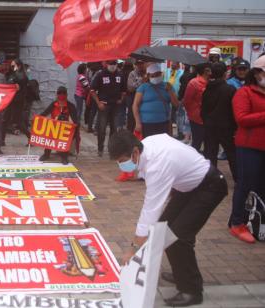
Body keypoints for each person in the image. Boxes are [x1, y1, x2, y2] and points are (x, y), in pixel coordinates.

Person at [109, 131, 227, 307]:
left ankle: (191, 290)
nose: (121, 165)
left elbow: (150, 211)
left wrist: (133, 249)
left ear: (135, 152)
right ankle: (182, 271)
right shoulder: (147, 145)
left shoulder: (158, 164)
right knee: (163, 230)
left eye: (122, 160)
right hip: (189, 186)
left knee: (178, 237)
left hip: (210, 186)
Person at [228, 55, 265, 244]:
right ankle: (237, 222)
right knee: (245, 184)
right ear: (257, 73)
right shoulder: (244, 93)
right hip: (248, 147)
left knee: (261, 186)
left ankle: (257, 220)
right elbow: (241, 119)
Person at [201, 62, 237, 179]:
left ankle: (210, 178)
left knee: (210, 153)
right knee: (232, 154)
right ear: (225, 74)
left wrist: (206, 121)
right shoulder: (230, 89)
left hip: (210, 126)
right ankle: (238, 178)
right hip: (226, 127)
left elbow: (203, 110)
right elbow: (234, 110)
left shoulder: (207, 89)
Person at [90, 59, 127, 157]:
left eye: (114, 63)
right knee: (101, 129)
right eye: (111, 64)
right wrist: (98, 103)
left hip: (116, 106)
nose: (113, 66)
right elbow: (92, 90)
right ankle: (100, 149)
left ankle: (112, 150)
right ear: (106, 64)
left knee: (114, 129)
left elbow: (124, 90)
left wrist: (121, 99)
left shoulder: (120, 75)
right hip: (104, 105)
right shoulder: (100, 75)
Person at [133, 63, 179, 138]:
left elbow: (176, 104)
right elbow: (135, 105)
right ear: (148, 76)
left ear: (161, 74)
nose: (155, 77)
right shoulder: (143, 87)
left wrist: (170, 91)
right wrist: (138, 123)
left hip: (163, 123)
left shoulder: (167, 86)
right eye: (153, 75)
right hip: (146, 123)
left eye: (158, 74)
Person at [39, 87, 78, 165]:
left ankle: (64, 157)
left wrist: (67, 120)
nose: (62, 95)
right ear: (57, 95)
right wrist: (37, 118)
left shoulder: (71, 106)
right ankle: (46, 154)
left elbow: (75, 121)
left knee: (65, 137)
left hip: (66, 129)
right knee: (49, 133)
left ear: (66, 95)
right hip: (54, 128)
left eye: (63, 93)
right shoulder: (53, 105)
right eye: (60, 93)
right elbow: (44, 113)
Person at [183, 62, 211, 151]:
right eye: (207, 70)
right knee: (197, 142)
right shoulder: (194, 83)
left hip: (209, 118)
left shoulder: (211, 82)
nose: (210, 72)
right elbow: (187, 101)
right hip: (196, 118)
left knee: (209, 143)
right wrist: (192, 113)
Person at [2, 58, 29, 145]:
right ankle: (1, 141)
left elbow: (20, 81)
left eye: (14, 65)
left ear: (19, 65)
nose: (12, 67)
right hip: (11, 100)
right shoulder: (13, 74)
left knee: (18, 122)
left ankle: (30, 137)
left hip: (17, 102)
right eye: (11, 65)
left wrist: (14, 77)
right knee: (5, 120)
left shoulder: (21, 75)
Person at [127, 59, 146, 132]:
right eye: (138, 64)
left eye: (141, 63)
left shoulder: (148, 73)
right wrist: (141, 80)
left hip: (144, 99)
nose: (140, 65)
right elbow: (130, 87)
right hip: (133, 98)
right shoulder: (132, 74)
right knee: (132, 118)